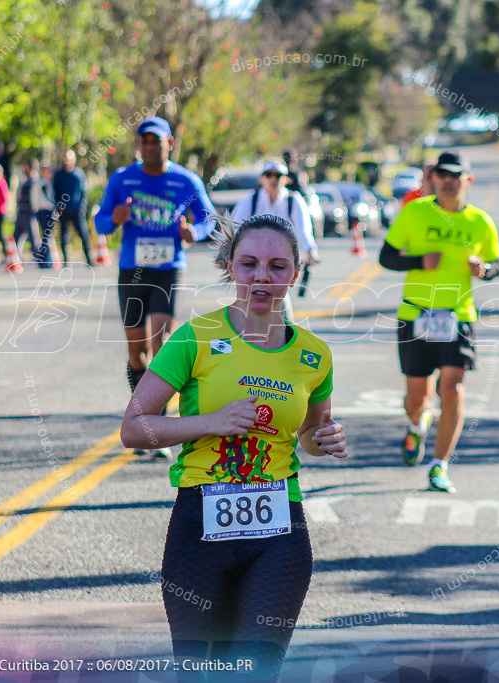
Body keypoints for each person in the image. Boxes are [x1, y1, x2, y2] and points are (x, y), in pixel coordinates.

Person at [120, 213, 347, 679]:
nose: (262, 276)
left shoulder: (314, 355)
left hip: (280, 530)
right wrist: (211, 422)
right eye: (249, 263)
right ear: (229, 266)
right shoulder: (194, 338)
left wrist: (325, 439)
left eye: (278, 266)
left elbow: (309, 436)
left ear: (295, 274)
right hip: (200, 524)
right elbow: (133, 428)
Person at [378, 150, 499, 493]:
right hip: (415, 314)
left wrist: (485, 270)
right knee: (416, 399)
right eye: (442, 174)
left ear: (467, 180)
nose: (448, 180)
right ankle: (417, 426)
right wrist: (419, 260)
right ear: (434, 179)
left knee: (453, 389)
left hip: (458, 316)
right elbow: (386, 256)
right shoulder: (416, 211)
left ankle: (440, 465)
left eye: (455, 175)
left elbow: (496, 264)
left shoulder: (480, 221)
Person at [94, 116, 216, 412]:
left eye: (156, 141)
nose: (150, 147)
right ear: (139, 145)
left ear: (170, 144)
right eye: (144, 141)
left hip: (169, 270)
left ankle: (153, 418)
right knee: (138, 353)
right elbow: (101, 223)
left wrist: (193, 233)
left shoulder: (186, 181)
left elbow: (208, 219)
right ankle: (145, 412)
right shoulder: (122, 179)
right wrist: (115, 219)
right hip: (132, 272)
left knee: (162, 345)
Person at [232, 160, 319, 320]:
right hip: (254, 258)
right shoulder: (251, 200)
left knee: (279, 293)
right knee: (252, 295)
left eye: (278, 175)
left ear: (286, 179)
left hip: (281, 259)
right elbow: (236, 230)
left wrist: (310, 250)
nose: (273, 179)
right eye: (269, 175)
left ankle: (287, 331)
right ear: (262, 179)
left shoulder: (294, 200)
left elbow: (304, 230)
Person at [53, 149, 92, 266]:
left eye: (69, 159)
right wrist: (59, 206)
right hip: (64, 210)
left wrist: (82, 207)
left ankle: (89, 258)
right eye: (65, 159)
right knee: (64, 236)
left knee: (84, 234)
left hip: (77, 211)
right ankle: (66, 260)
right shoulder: (59, 175)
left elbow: (83, 192)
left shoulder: (79, 174)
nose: (67, 161)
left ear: (74, 160)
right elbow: (55, 192)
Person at [13, 159, 42, 262]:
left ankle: (38, 258)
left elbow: (34, 197)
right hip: (21, 211)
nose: (24, 168)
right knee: (16, 237)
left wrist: (23, 198)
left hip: (29, 212)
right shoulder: (25, 180)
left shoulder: (35, 181)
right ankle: (14, 256)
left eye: (25, 166)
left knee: (33, 237)